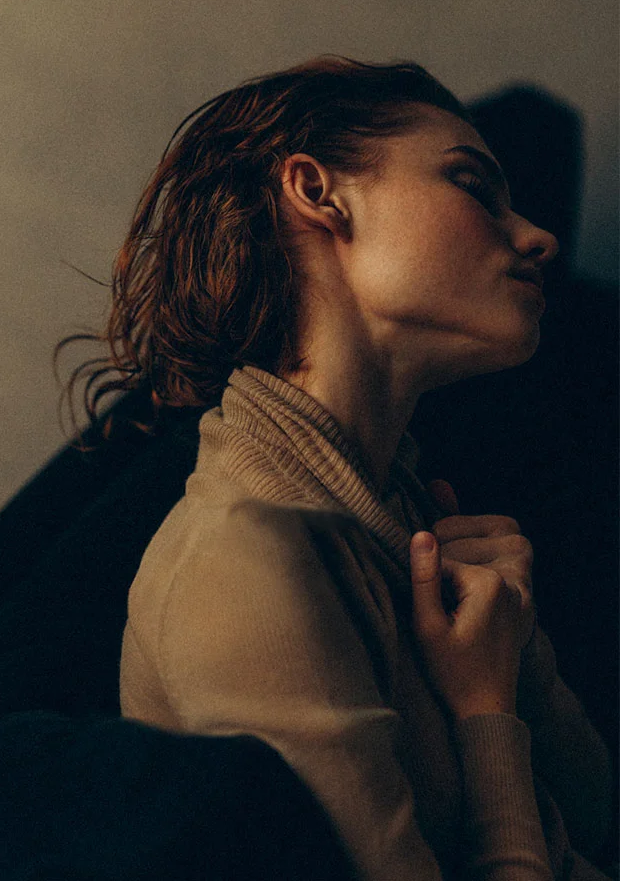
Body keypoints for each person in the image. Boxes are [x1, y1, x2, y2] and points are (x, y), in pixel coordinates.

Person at [70, 56, 613, 879]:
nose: (538, 236)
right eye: (473, 184)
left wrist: (517, 641)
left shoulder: (411, 516)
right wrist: (486, 707)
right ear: (319, 195)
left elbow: (595, 817)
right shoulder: (243, 558)